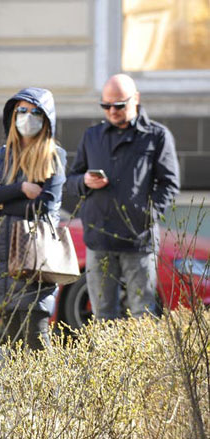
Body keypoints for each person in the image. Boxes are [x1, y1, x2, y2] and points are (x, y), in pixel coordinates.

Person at [66, 74, 180, 320]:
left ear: (135, 99)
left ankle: (143, 361)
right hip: (99, 237)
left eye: (119, 105)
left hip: (137, 240)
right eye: (106, 105)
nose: (112, 111)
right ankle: (106, 359)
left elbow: (169, 184)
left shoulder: (156, 135)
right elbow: (71, 180)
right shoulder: (92, 136)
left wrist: (146, 217)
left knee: (143, 313)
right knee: (102, 314)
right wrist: (84, 181)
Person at [0, 87, 67, 350]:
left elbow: (47, 205)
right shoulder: (2, 154)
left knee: (37, 335)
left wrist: (3, 199)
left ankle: (50, 393)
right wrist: (20, 189)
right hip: (4, 254)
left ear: (46, 118)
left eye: (35, 112)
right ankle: (22, 393)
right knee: (11, 340)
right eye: (22, 111)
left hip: (36, 254)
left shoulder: (54, 156)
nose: (27, 117)